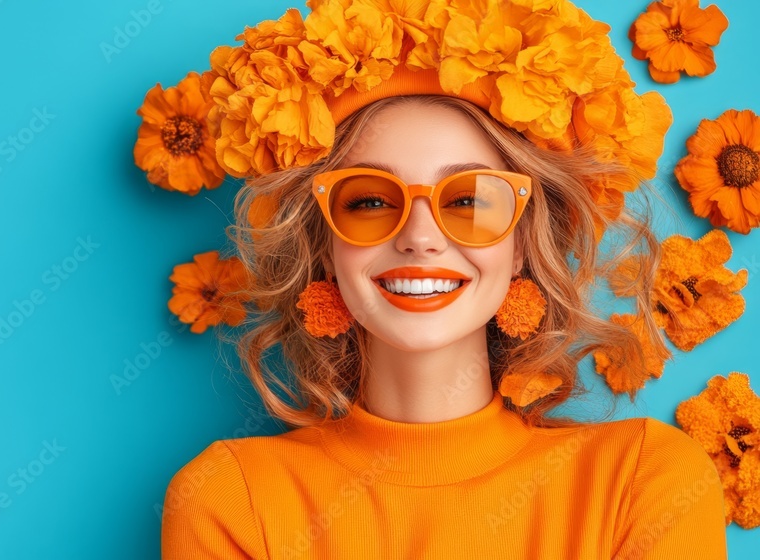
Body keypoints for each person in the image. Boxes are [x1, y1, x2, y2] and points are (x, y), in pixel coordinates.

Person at [158, 1, 728, 558]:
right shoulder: (232, 499)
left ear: (525, 243)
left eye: (470, 200)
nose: (420, 238)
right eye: (372, 201)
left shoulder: (642, 482)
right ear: (325, 246)